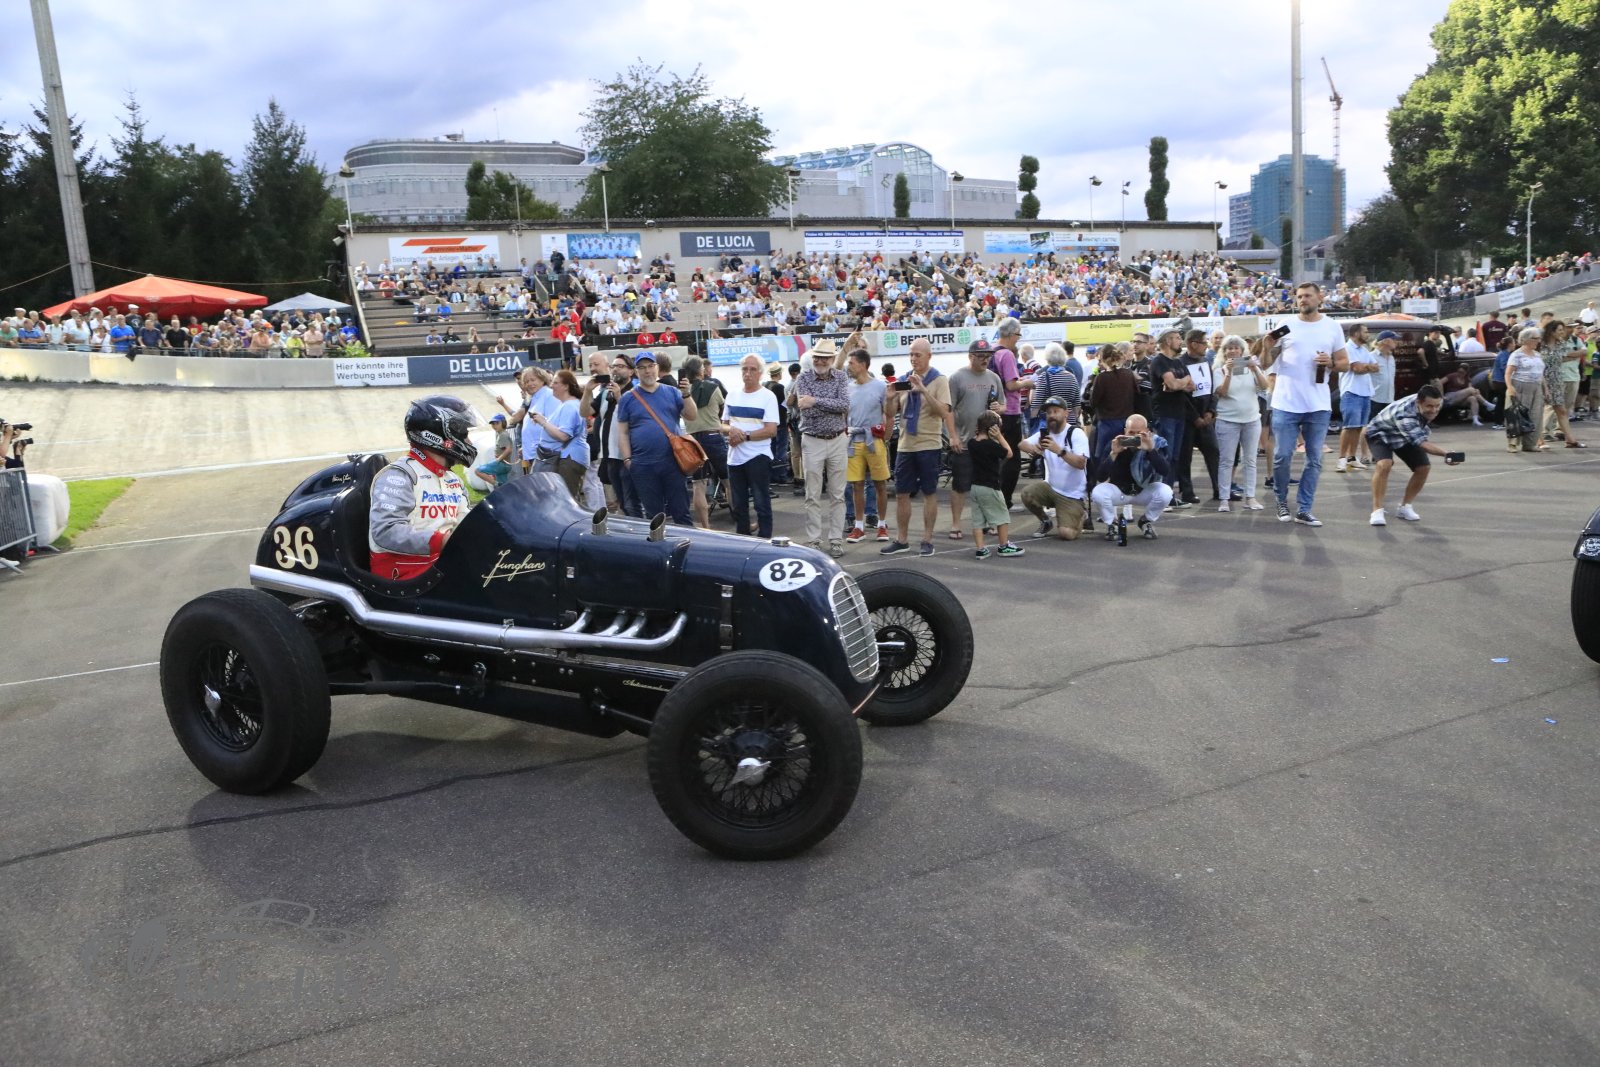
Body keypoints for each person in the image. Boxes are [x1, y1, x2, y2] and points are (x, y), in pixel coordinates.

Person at [1262, 282, 1350, 527]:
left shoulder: (1332, 327)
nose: (1303, 300)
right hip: (1286, 402)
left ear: (1319, 298)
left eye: (1308, 296)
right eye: (1299, 296)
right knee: (1282, 456)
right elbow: (1266, 362)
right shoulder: (1285, 325)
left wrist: (1330, 362)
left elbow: (1345, 363)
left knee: (1315, 459)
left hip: (1318, 405)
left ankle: (1304, 508)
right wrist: (1266, 348)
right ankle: (1281, 501)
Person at [368, 396, 474, 581]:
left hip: (443, 569)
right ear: (438, 435)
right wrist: (442, 541)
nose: (469, 441)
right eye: (463, 433)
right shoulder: (400, 475)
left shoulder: (453, 480)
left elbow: (468, 525)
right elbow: (385, 531)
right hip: (405, 579)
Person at [881, 339, 953, 557]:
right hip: (905, 445)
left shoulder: (939, 379)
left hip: (929, 444)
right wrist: (890, 399)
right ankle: (902, 539)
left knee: (929, 493)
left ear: (929, 356)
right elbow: (891, 413)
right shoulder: (904, 380)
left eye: (918, 355)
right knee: (902, 493)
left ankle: (927, 539)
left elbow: (944, 411)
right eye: (911, 354)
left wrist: (923, 390)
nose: (913, 359)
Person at [617, 351, 697, 524]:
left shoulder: (673, 392)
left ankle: (687, 541)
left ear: (657, 367)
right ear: (636, 371)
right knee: (654, 516)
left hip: (672, 462)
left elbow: (691, 416)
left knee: (681, 512)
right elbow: (622, 432)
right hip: (643, 465)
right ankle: (658, 541)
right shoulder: (627, 398)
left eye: (651, 366)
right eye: (642, 368)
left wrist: (686, 394)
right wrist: (628, 460)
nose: (647, 371)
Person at [1366, 385, 1460, 526]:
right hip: (1380, 433)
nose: (1434, 410)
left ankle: (1405, 507)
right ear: (1418, 402)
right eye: (1429, 406)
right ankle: (1377, 510)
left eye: (1437, 406)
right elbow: (1422, 443)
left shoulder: (1430, 401)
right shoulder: (1405, 414)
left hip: (1403, 434)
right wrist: (1446, 454)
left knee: (1423, 467)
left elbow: (1420, 432)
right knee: (1384, 464)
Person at [793, 338, 851, 556]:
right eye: (817, 357)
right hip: (813, 439)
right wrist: (829, 404)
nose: (820, 361)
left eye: (825, 358)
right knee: (812, 494)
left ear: (832, 359)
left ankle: (836, 539)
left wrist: (815, 400)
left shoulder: (841, 377)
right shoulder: (803, 378)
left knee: (838, 494)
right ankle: (814, 540)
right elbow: (806, 411)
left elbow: (844, 405)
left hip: (837, 439)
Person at [946, 339, 1004, 539]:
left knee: (990, 484)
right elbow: (948, 410)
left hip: (988, 442)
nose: (985, 360)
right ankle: (956, 524)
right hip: (965, 441)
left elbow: (1003, 405)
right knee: (960, 485)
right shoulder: (957, 378)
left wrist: (999, 408)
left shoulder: (994, 378)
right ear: (970, 356)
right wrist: (953, 436)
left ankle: (991, 521)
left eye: (988, 356)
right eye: (980, 356)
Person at [722, 353, 780, 538]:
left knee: (761, 503)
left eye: (752, 369)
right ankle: (743, 539)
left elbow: (771, 430)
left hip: (758, 456)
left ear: (760, 373)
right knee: (739, 505)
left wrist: (744, 436)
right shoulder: (732, 395)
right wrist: (731, 430)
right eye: (745, 369)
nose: (747, 373)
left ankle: (765, 539)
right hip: (735, 458)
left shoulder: (768, 397)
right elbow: (723, 425)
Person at [1090, 413, 1174, 540]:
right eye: (1131, 432)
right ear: (1125, 431)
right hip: (1120, 492)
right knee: (1098, 492)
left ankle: (1146, 521)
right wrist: (1113, 454)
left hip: (1143, 491)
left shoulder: (1155, 443)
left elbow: (1165, 471)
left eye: (1139, 433)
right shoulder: (1116, 443)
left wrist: (1151, 451)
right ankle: (1112, 523)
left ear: (1147, 431)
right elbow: (1101, 477)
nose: (1134, 437)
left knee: (1166, 492)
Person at [1018, 396, 1090, 540]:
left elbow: (1081, 463)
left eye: (1056, 411)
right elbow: (1021, 444)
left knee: (1066, 534)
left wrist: (1059, 450)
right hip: (1051, 488)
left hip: (1072, 494)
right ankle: (1045, 521)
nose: (1052, 416)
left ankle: (1081, 515)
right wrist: (1033, 448)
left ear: (1066, 413)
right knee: (1027, 494)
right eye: (1049, 412)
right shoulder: (1045, 434)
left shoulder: (1076, 433)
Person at [1211, 334, 1267, 512]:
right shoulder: (1219, 371)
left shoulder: (1251, 368)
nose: (1232, 351)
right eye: (1229, 348)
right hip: (1227, 420)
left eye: (1236, 348)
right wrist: (1228, 373)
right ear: (1224, 352)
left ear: (1242, 351)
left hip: (1252, 419)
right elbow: (1222, 392)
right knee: (1226, 461)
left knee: (1250, 460)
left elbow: (1265, 386)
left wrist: (1255, 368)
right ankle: (1224, 499)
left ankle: (1250, 497)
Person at [844, 347, 891, 543]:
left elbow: (888, 412)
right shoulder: (848, 388)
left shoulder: (880, 387)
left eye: (851, 363)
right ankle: (859, 526)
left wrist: (886, 437)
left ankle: (882, 525)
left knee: (880, 483)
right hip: (854, 440)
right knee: (856, 484)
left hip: (874, 440)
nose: (848, 366)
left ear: (863, 365)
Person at [586, 353, 640, 516]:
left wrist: (618, 397)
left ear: (631, 371)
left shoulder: (636, 392)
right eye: (614, 366)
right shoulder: (605, 392)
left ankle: (639, 529)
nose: (616, 369)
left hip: (627, 455)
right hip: (609, 454)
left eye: (621, 366)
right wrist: (587, 391)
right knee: (622, 502)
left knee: (632, 503)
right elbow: (586, 412)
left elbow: (635, 417)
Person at [989, 318, 1034, 509]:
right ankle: (1005, 500)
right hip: (1009, 410)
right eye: (1018, 335)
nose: (1018, 339)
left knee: (998, 455)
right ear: (1011, 334)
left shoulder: (991, 350)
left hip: (993, 410)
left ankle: (996, 498)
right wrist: (1027, 382)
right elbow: (1011, 385)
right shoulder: (1006, 354)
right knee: (1012, 457)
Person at [966, 412, 1024, 558]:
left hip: (975, 487)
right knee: (1002, 516)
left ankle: (981, 549)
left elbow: (976, 437)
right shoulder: (991, 445)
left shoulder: (972, 443)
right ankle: (1003, 546)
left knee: (978, 520)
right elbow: (1009, 453)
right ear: (994, 428)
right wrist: (999, 437)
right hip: (990, 486)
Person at [1148, 328, 1194, 507]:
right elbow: (1173, 384)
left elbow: (1191, 386)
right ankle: (1161, 497)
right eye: (1177, 338)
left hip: (1179, 414)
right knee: (1165, 455)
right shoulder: (1159, 361)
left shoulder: (1178, 362)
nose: (1180, 341)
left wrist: (1179, 384)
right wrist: (1182, 381)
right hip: (1164, 414)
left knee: (1174, 456)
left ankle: (1169, 496)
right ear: (1167, 341)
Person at [528, 369, 589, 502]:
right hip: (569, 457)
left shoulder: (570, 406)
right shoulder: (568, 404)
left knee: (567, 501)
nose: (551, 386)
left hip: (570, 458)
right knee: (564, 499)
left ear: (566, 386)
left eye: (555, 383)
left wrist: (544, 422)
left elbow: (563, 436)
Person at [681, 356, 728, 528]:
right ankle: (740, 520)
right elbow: (722, 408)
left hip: (693, 440)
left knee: (698, 485)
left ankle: (706, 527)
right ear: (700, 370)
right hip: (713, 436)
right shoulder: (713, 387)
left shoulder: (681, 392)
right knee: (728, 481)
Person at [1335, 324, 1380, 472]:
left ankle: (1352, 458)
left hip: (1365, 393)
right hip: (1351, 392)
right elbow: (1357, 369)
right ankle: (1342, 459)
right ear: (1355, 333)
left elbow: (1376, 367)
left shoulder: (1364, 350)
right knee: (1349, 427)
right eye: (1365, 332)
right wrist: (1367, 367)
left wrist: (1365, 366)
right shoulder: (1347, 348)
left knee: (1358, 427)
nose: (1368, 335)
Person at [1505, 326, 1550, 453]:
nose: (1538, 341)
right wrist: (1510, 387)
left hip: (1536, 387)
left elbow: (1540, 373)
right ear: (1526, 339)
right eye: (1536, 338)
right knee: (1517, 415)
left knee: (1535, 415)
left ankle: (1529, 444)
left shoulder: (1537, 355)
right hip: (1520, 386)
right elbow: (1508, 373)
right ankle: (1513, 444)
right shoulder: (1517, 355)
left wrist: (1546, 389)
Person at [472, 412, 516, 488]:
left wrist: (498, 459)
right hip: (505, 464)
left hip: (502, 464)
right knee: (503, 487)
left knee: (478, 471)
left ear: (503, 423)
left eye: (497, 423)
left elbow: (509, 449)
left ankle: (496, 484)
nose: (494, 425)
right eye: (492, 424)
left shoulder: (503, 434)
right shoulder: (499, 433)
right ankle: (503, 489)